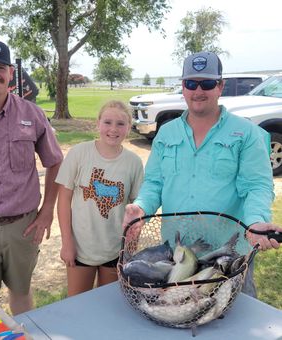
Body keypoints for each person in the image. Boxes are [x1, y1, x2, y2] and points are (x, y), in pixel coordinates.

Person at [123, 51, 282, 297]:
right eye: (191, 83)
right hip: (178, 253)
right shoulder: (166, 133)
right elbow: (155, 182)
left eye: (207, 83)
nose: (199, 91)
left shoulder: (248, 134)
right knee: (178, 315)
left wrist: (256, 221)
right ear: (183, 87)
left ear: (220, 86)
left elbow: (257, 186)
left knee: (234, 324)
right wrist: (141, 207)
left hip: (228, 256)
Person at [0, 38, 63, 315]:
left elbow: (56, 162)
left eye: (1, 67)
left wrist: (47, 211)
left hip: (23, 227)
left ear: (11, 73)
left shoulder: (31, 114)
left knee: (22, 295)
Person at [55, 100, 144, 296]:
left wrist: (129, 249)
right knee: (78, 304)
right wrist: (67, 243)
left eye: (121, 124)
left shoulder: (133, 163)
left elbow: (137, 209)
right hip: (81, 248)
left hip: (115, 249)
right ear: (98, 124)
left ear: (129, 127)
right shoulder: (79, 153)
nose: (113, 129)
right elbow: (63, 200)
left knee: (108, 304)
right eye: (108, 122)